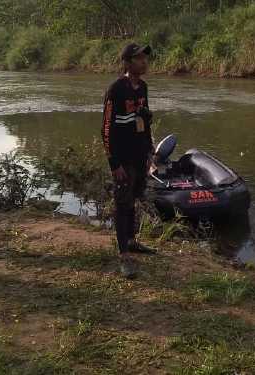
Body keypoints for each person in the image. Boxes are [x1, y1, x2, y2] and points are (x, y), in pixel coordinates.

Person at [101, 43, 157, 279]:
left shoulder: (142, 87)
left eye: (145, 58)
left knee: (133, 201)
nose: (144, 62)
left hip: (139, 156)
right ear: (127, 63)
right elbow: (105, 130)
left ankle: (132, 241)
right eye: (139, 58)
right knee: (122, 205)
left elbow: (143, 123)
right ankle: (124, 256)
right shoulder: (115, 90)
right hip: (123, 160)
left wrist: (149, 151)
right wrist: (114, 164)